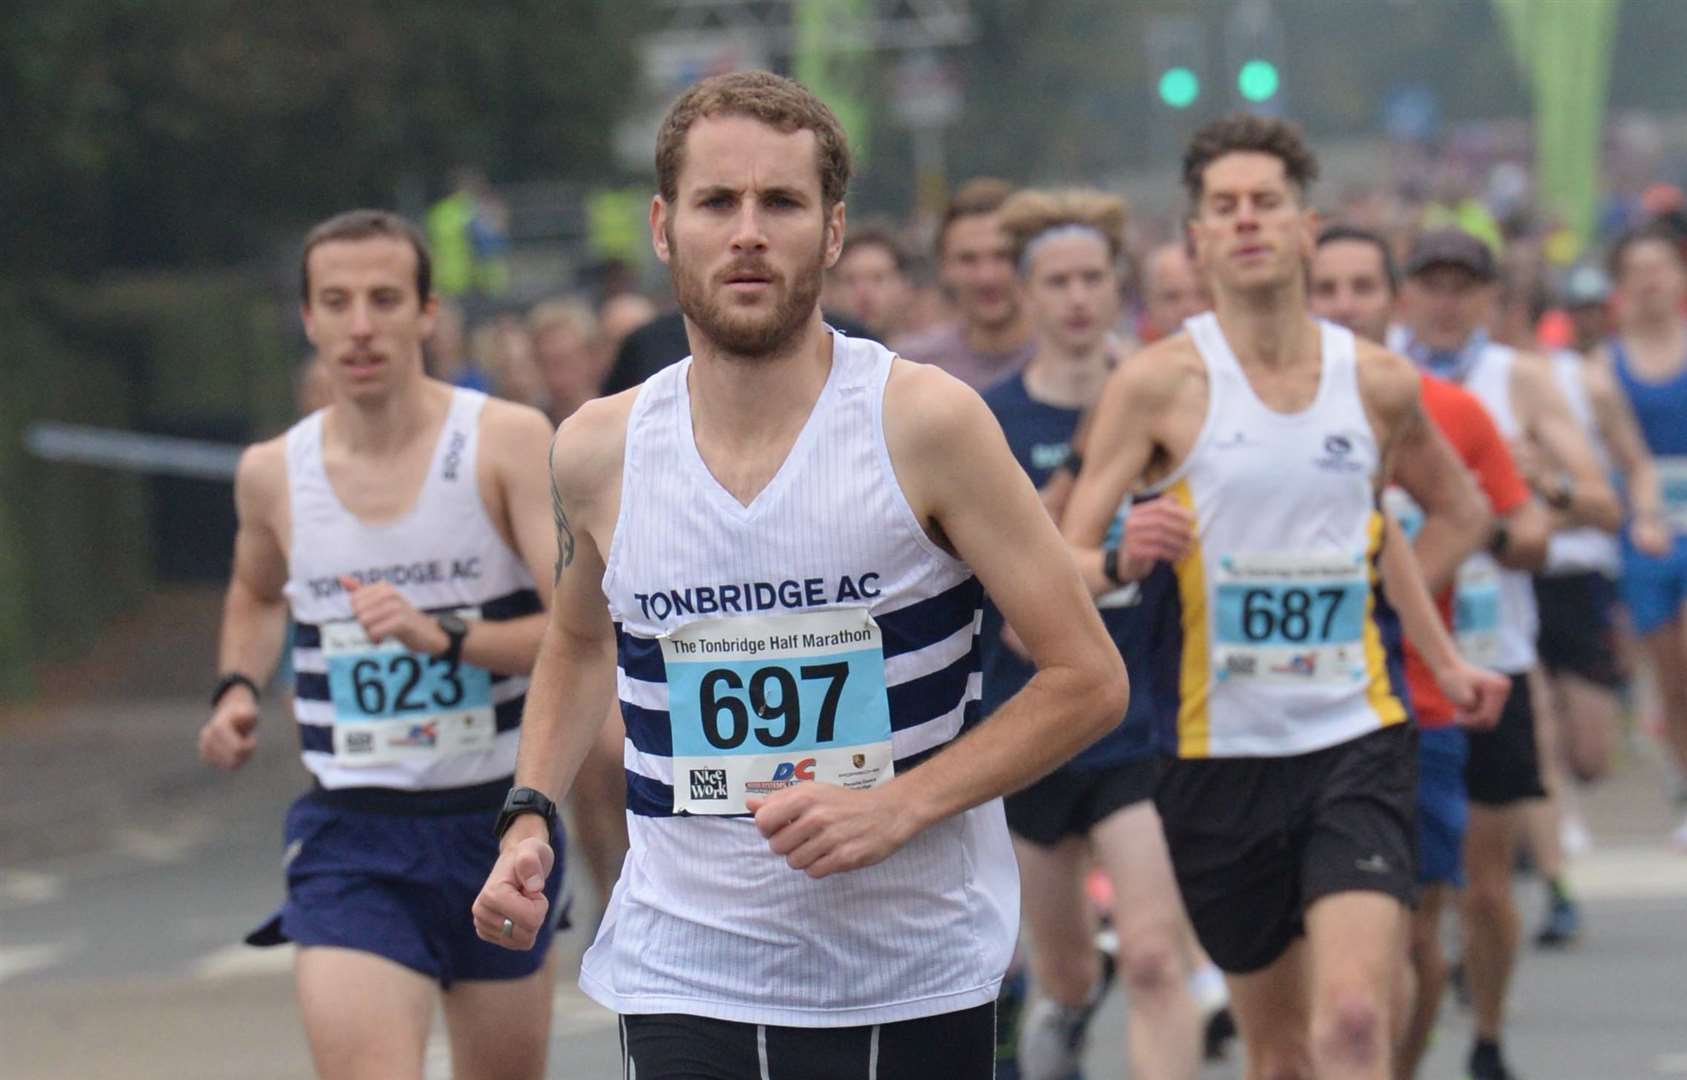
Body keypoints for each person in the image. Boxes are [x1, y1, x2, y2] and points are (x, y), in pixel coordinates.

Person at [472, 71, 1128, 1080]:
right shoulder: (599, 449)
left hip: (904, 973)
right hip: (686, 965)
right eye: (715, 203)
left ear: (830, 232)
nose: (746, 232)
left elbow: (1088, 677)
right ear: (662, 225)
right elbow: (576, 639)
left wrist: (902, 804)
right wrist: (530, 812)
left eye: (780, 202)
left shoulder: (925, 424)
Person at [1061, 114, 1508, 1080]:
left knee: (1353, 1020)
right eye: (1224, 207)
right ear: (1196, 240)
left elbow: (1457, 516)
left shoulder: (1379, 384)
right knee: (1281, 1054)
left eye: (1267, 202)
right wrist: (1123, 554)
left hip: (1356, 737)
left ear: (1308, 227)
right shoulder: (1155, 385)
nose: (1247, 220)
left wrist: (1421, 645)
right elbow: (1064, 561)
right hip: (1213, 755)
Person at [197, 209, 564, 1080]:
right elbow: (256, 589)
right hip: (352, 833)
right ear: (308, 319)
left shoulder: (505, 442)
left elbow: (578, 635)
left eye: (384, 299)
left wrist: (445, 638)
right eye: (336, 301)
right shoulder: (271, 472)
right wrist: (237, 688)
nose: (361, 324)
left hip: (498, 827)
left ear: (427, 313)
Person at [1310, 224, 1551, 1079]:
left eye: (1361, 289)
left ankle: (1443, 1050)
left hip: (1420, 698)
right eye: (1327, 290)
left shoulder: (1449, 410)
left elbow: (1501, 518)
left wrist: (1379, 601)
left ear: (1390, 301)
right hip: (1278, 714)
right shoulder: (1249, 407)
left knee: (1411, 932)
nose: (1344, 308)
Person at [982, 188, 1200, 1080]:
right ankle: (1066, 1020)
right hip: (1028, 724)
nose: (1075, 297)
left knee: (1153, 956)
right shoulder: (985, 421)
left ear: (1119, 290)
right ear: (1027, 296)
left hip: (1140, 719)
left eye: (1092, 279)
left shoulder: (1164, 401)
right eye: (1056, 281)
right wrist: (1112, 563)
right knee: (1064, 969)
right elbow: (1006, 608)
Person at [1396, 227, 1624, 1080]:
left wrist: (1539, 490)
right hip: (1398, 664)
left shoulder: (1518, 380)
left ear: (1490, 298)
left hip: (1493, 653)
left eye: (1463, 287)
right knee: (1414, 897)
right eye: (1430, 284)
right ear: (1404, 294)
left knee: (1486, 884)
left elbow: (1597, 503)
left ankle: (1486, 1035)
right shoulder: (1378, 378)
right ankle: (1403, 1047)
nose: (1445, 302)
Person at [1526, 264, 1664, 941]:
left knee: (1588, 750)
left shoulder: (1584, 382)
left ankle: (1555, 814)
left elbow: (1633, 464)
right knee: (1538, 730)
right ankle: (1554, 873)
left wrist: (1639, 512)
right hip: (1512, 579)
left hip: (1581, 575)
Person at [1597, 223, 1687, 846]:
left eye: (1663, 266)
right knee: (1673, 674)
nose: (1652, 281)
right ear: (1621, 286)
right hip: (1649, 534)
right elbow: (1628, 458)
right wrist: (1648, 516)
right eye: (1639, 270)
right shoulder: (1603, 368)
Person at [893, 178, 1036, 389]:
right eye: (968, 259)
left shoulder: (1083, 362)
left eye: (1002, 256)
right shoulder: (911, 369)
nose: (986, 277)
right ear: (943, 267)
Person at [828, 219, 916, 343]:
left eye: (878, 279)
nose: (863, 292)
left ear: (905, 286)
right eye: (850, 281)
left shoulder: (931, 357)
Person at [1137, 241, 1212, 343]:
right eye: (1173, 297)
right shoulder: (1130, 357)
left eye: (1201, 295)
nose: (1189, 309)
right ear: (1149, 303)